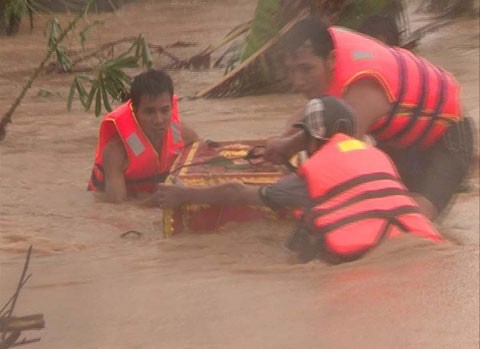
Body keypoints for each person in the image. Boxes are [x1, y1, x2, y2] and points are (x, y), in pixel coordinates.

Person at [149, 96, 442, 264]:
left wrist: (183, 195)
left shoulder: (313, 178)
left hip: (365, 261)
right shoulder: (377, 157)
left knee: (292, 250)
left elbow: (238, 193)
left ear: (314, 137)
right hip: (416, 246)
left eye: (304, 136)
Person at [264, 16, 474, 220]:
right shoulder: (327, 44)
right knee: (384, 206)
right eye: (291, 70)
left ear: (331, 59)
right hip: (398, 141)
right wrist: (282, 142)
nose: (298, 81)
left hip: (447, 137)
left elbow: (334, 161)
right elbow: (312, 115)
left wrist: (264, 193)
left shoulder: (365, 88)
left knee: (414, 219)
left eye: (306, 69)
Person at [87, 69, 199, 203]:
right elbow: (117, 208)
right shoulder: (116, 152)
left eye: (165, 110)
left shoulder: (182, 134)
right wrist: (153, 202)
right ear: (135, 111)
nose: (159, 120)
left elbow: (203, 160)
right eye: (149, 112)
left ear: (171, 106)